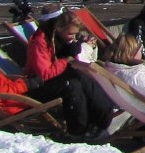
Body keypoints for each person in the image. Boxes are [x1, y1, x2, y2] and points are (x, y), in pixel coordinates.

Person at [22, 12, 115, 140]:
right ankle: (77, 131)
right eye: (71, 34)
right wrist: (66, 60)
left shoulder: (58, 39)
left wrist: (72, 50)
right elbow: (44, 74)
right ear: (59, 28)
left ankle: (100, 121)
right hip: (36, 86)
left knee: (80, 76)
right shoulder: (40, 42)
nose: (73, 37)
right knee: (72, 85)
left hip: (54, 80)